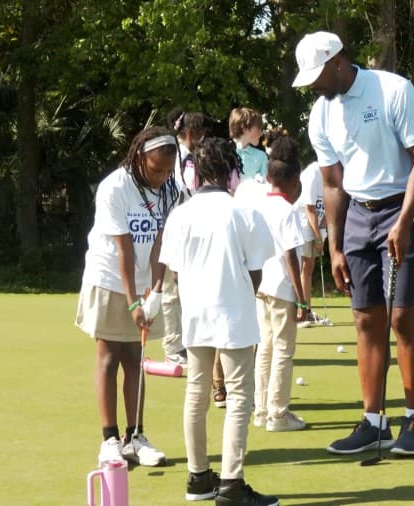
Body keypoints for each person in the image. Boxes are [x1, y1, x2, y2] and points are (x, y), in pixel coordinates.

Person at [293, 31, 414, 456]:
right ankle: (374, 422)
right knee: (365, 320)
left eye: (318, 75)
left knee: (402, 317)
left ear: (338, 61)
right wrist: (335, 246)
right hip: (358, 215)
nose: (314, 86)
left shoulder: (393, 89)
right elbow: (333, 183)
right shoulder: (321, 114)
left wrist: (404, 221)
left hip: (405, 206)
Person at [160, 137, 279, 505]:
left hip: (196, 313)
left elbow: (175, 273)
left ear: (195, 173)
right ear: (232, 172)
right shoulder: (243, 212)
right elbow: (256, 271)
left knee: (196, 393)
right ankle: (230, 483)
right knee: (240, 395)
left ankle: (198, 477)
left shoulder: (181, 215)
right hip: (235, 313)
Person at [75, 126, 179, 467]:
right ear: (139, 158)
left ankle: (135, 437)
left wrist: (157, 292)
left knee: (136, 359)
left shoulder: (170, 190)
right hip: (109, 279)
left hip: (144, 283)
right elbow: (124, 247)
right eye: (156, 169)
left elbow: (160, 244)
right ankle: (109, 439)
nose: (163, 176)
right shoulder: (115, 187)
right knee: (109, 357)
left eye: (168, 169)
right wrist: (133, 301)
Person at [251, 136, 309, 433]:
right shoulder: (288, 211)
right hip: (283, 288)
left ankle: (261, 410)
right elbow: (291, 255)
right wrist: (302, 299)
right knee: (283, 350)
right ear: (293, 181)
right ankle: (278, 413)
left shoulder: (259, 204)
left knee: (265, 348)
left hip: (261, 284)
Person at [161, 109, 207, 365]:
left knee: (185, 290)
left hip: (186, 228)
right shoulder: (178, 156)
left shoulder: (185, 155)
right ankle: (172, 346)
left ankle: (183, 342)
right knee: (170, 291)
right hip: (174, 229)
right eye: (200, 134)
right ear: (191, 133)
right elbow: (182, 193)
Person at [296, 161, 328, 328]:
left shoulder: (331, 173)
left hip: (314, 228)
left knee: (308, 270)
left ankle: (307, 310)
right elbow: (310, 209)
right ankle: (301, 312)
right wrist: (318, 237)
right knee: (303, 269)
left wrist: (322, 234)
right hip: (303, 227)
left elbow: (328, 208)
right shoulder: (313, 173)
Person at [229, 107, 268, 183]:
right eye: (258, 129)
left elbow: (266, 185)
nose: (261, 133)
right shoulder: (223, 152)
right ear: (245, 129)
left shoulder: (261, 157)